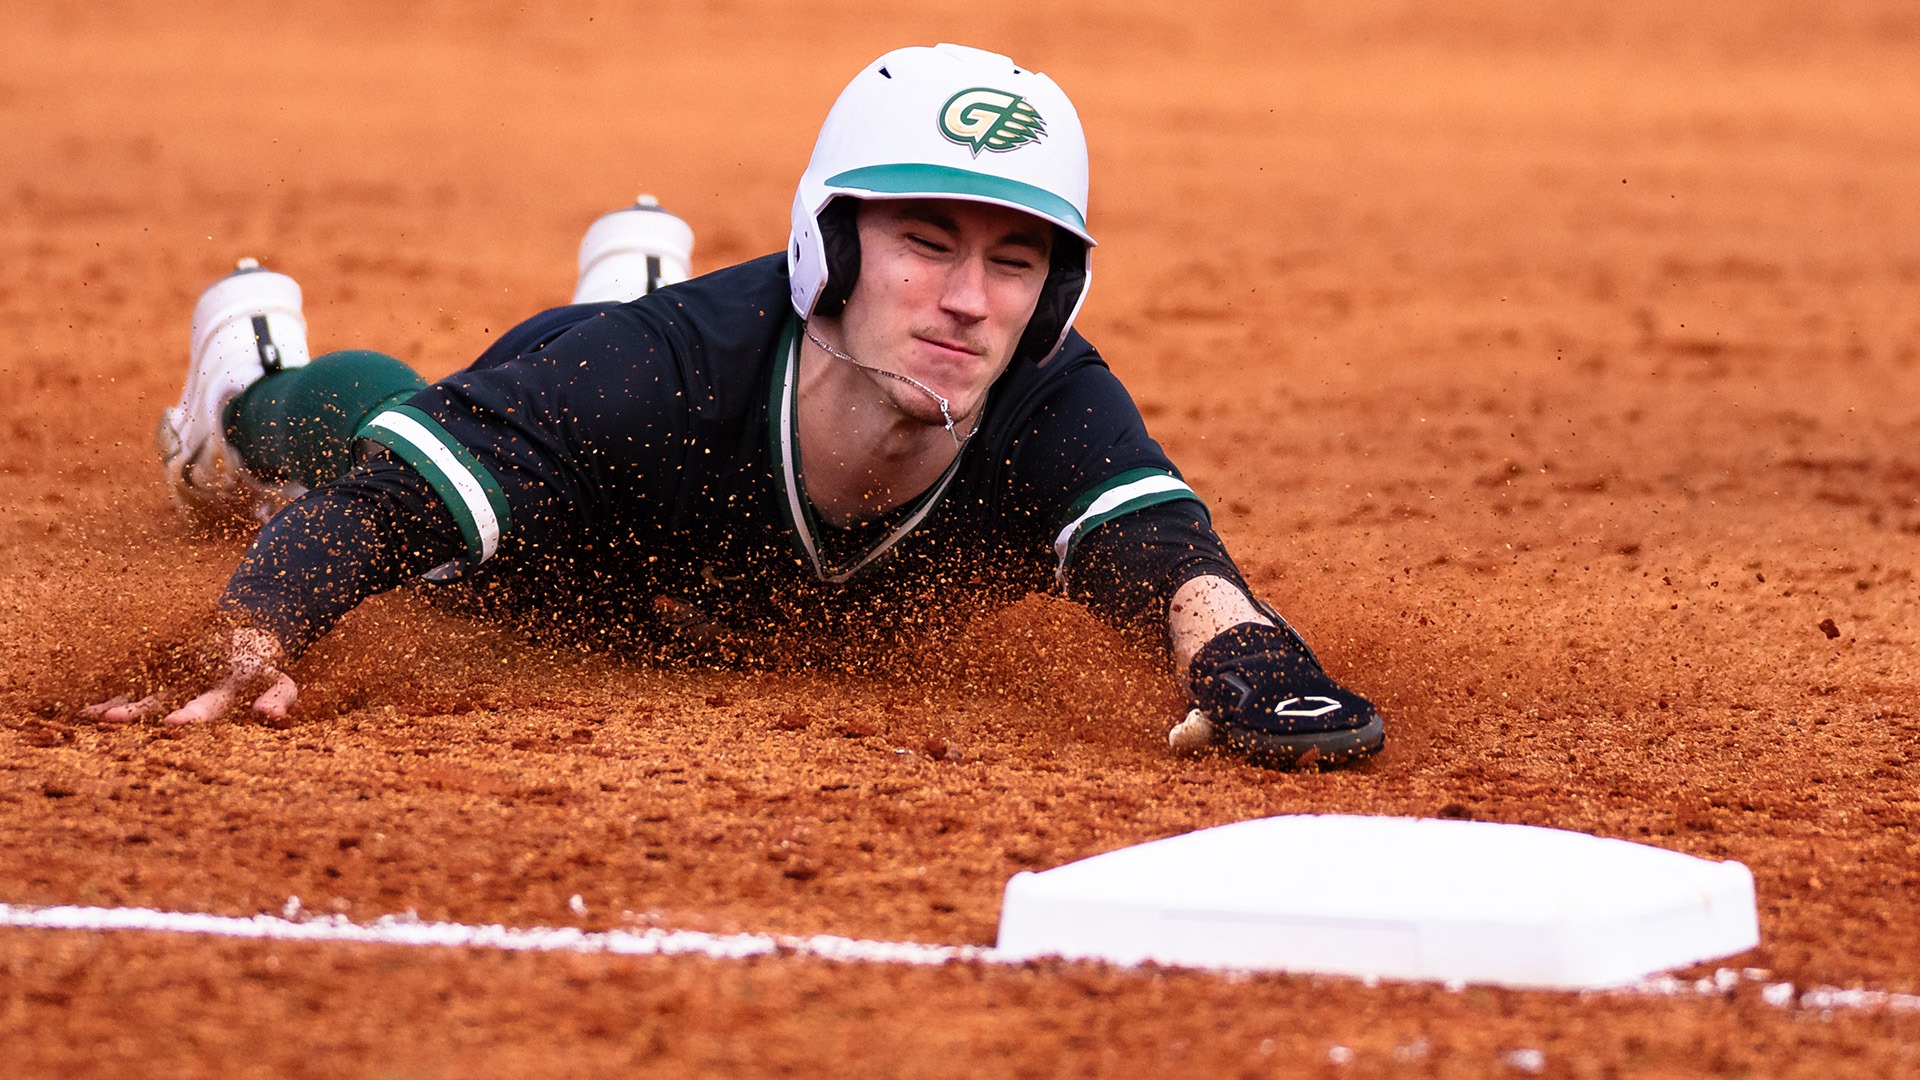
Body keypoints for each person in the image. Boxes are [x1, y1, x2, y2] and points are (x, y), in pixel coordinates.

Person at [87, 43, 1385, 769]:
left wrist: (1251, 660)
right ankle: (248, 379)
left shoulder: (1046, 401)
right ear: (828, 248)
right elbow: (384, 506)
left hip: (661, 397)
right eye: (926, 241)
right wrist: (253, 631)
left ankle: (630, 276)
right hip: (571, 546)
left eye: (1014, 261)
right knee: (407, 430)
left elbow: (1164, 559)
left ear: (1053, 296)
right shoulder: (647, 379)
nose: (969, 301)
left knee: (599, 374)